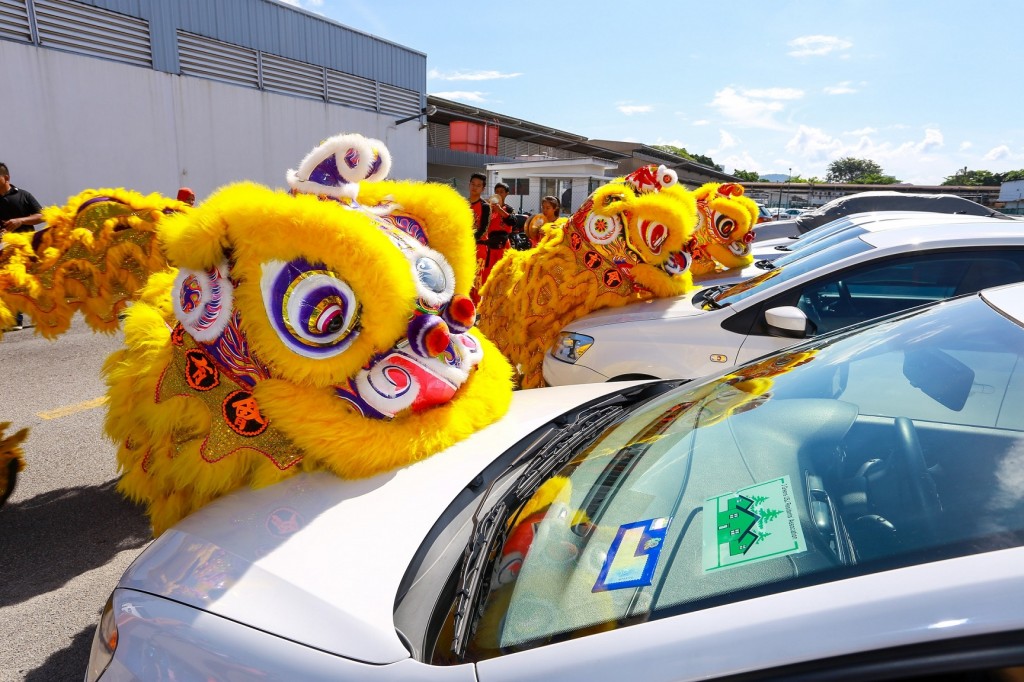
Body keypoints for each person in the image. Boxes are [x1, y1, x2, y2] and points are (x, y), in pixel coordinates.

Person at [0, 162, 44, 330]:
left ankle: (48, 315)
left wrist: (21, 221)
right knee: (10, 281)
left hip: (29, 246)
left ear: (6, 178)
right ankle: (15, 319)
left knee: (34, 283)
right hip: (7, 249)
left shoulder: (23, 196)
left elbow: (42, 215)